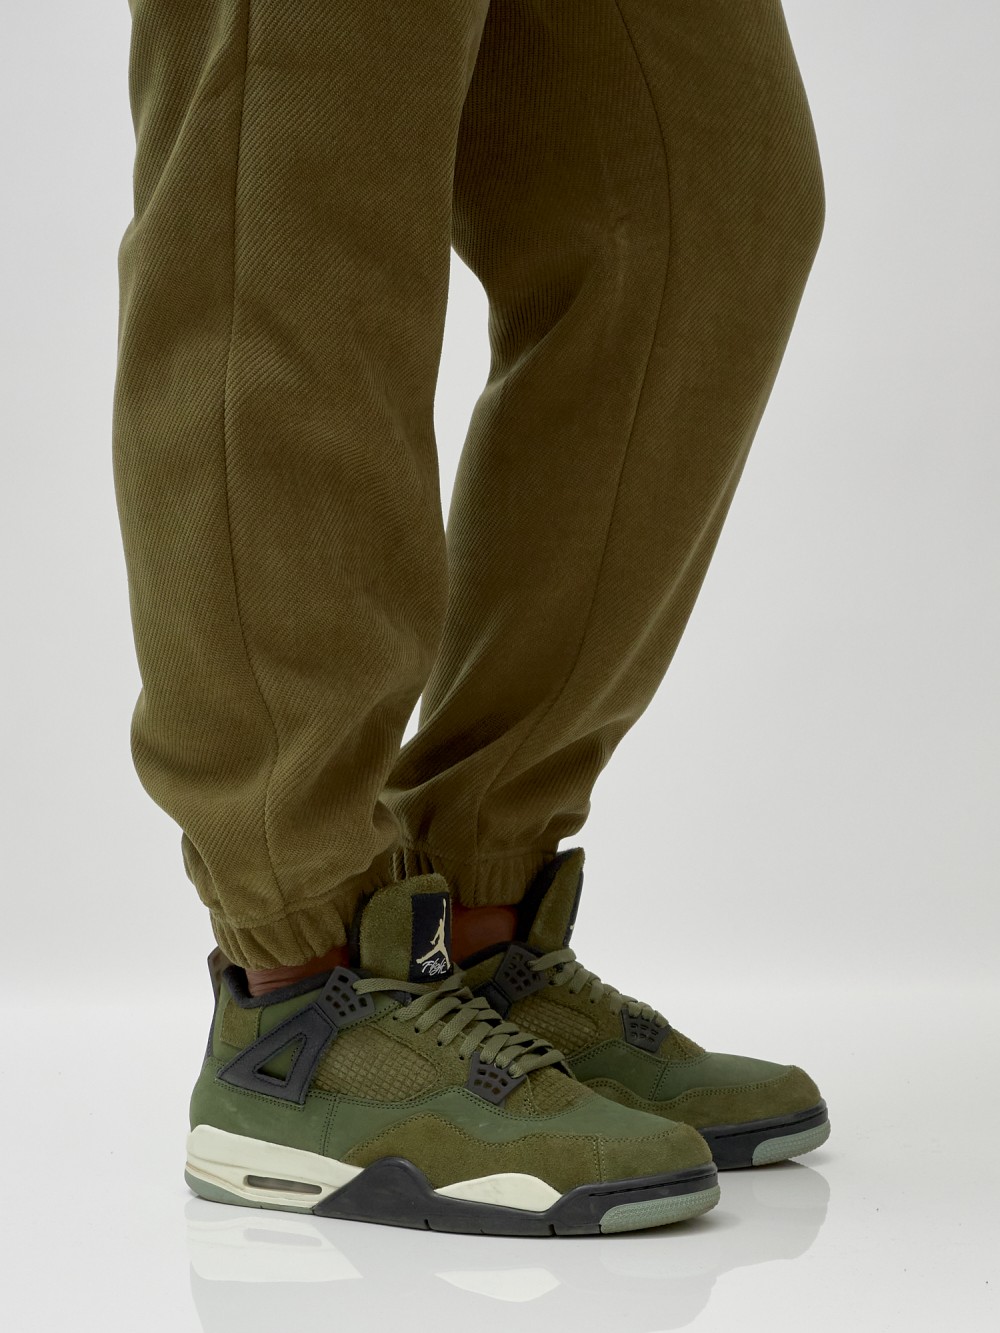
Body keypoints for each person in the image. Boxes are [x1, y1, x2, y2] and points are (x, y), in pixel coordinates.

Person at [113, 0, 828, 1235]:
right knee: (298, 188)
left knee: (706, 200)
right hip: (301, 998)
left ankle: (475, 925)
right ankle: (305, 988)